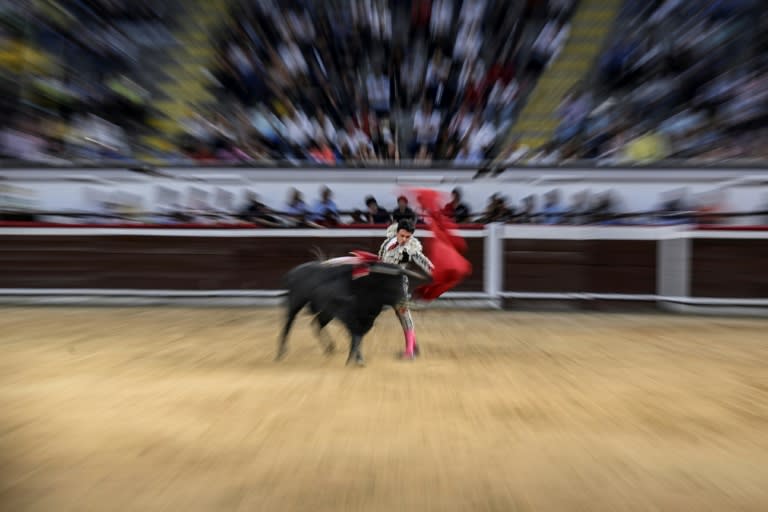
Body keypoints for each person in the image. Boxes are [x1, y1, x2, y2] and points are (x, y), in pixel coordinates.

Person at [378, 219, 434, 359]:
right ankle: (413, 346)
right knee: (399, 314)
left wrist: (435, 272)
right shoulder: (388, 242)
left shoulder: (411, 247)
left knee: (403, 313)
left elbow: (422, 260)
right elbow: (380, 260)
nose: (404, 239)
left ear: (411, 236)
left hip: (398, 285)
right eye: (402, 236)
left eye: (407, 237)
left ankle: (410, 352)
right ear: (397, 232)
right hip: (382, 283)